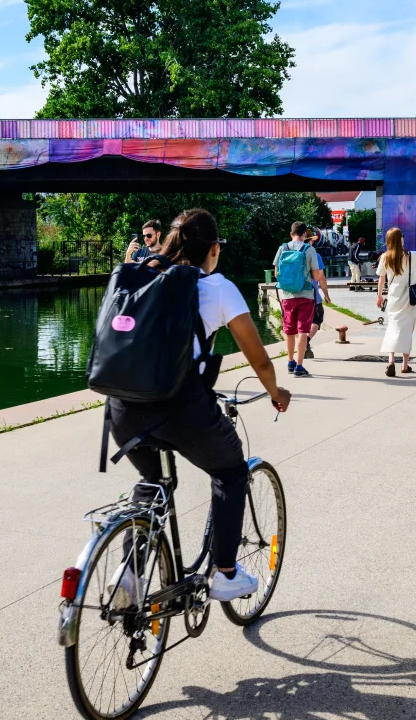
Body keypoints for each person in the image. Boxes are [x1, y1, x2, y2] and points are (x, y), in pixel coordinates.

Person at [109, 209, 291, 601]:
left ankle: (129, 579)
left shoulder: (143, 274)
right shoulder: (217, 286)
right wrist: (276, 392)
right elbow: (258, 358)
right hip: (178, 408)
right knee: (229, 470)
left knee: (152, 483)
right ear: (213, 249)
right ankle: (226, 573)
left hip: (122, 407)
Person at [376, 228, 416, 377]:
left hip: (393, 298)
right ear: (400, 239)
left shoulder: (385, 257)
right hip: (409, 299)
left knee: (392, 328)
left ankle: (391, 361)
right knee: (407, 331)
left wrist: (379, 296)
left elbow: (381, 279)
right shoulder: (410, 256)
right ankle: (405, 365)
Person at [273, 222, 322, 378]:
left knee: (289, 330)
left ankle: (290, 362)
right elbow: (316, 276)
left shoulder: (282, 248)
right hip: (306, 296)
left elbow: (276, 274)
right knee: (302, 330)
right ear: (304, 235)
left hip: (287, 296)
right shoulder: (309, 250)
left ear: (291, 233)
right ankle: (299, 366)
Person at [303, 229, 332, 359]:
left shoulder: (290, 252)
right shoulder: (315, 255)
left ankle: (300, 347)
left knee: (301, 322)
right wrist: (326, 294)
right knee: (317, 320)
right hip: (312, 295)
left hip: (294, 294)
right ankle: (306, 343)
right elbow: (321, 278)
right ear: (311, 241)